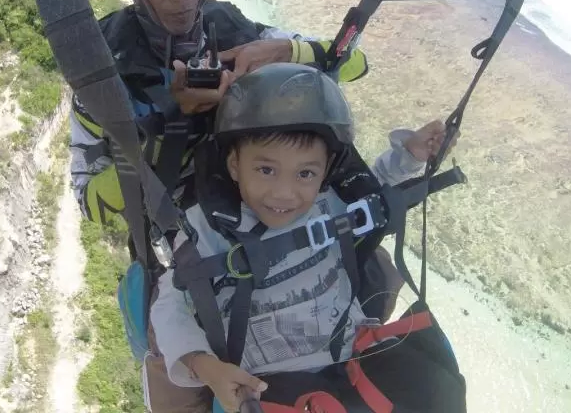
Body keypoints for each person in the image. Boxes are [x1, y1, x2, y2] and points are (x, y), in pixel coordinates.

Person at [147, 63, 460, 413]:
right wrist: (206, 366)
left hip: (355, 364)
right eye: (266, 170)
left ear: (326, 171)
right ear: (234, 165)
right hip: (269, 386)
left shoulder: (329, 205)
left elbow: (373, 190)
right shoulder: (209, 227)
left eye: (305, 173)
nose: (285, 193)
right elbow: (168, 304)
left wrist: (411, 155)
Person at [69, 0, 369, 233]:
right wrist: (174, 128)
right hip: (185, 243)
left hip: (266, 216)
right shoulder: (106, 70)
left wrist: (290, 51)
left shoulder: (232, 28)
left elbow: (356, 63)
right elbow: (89, 201)